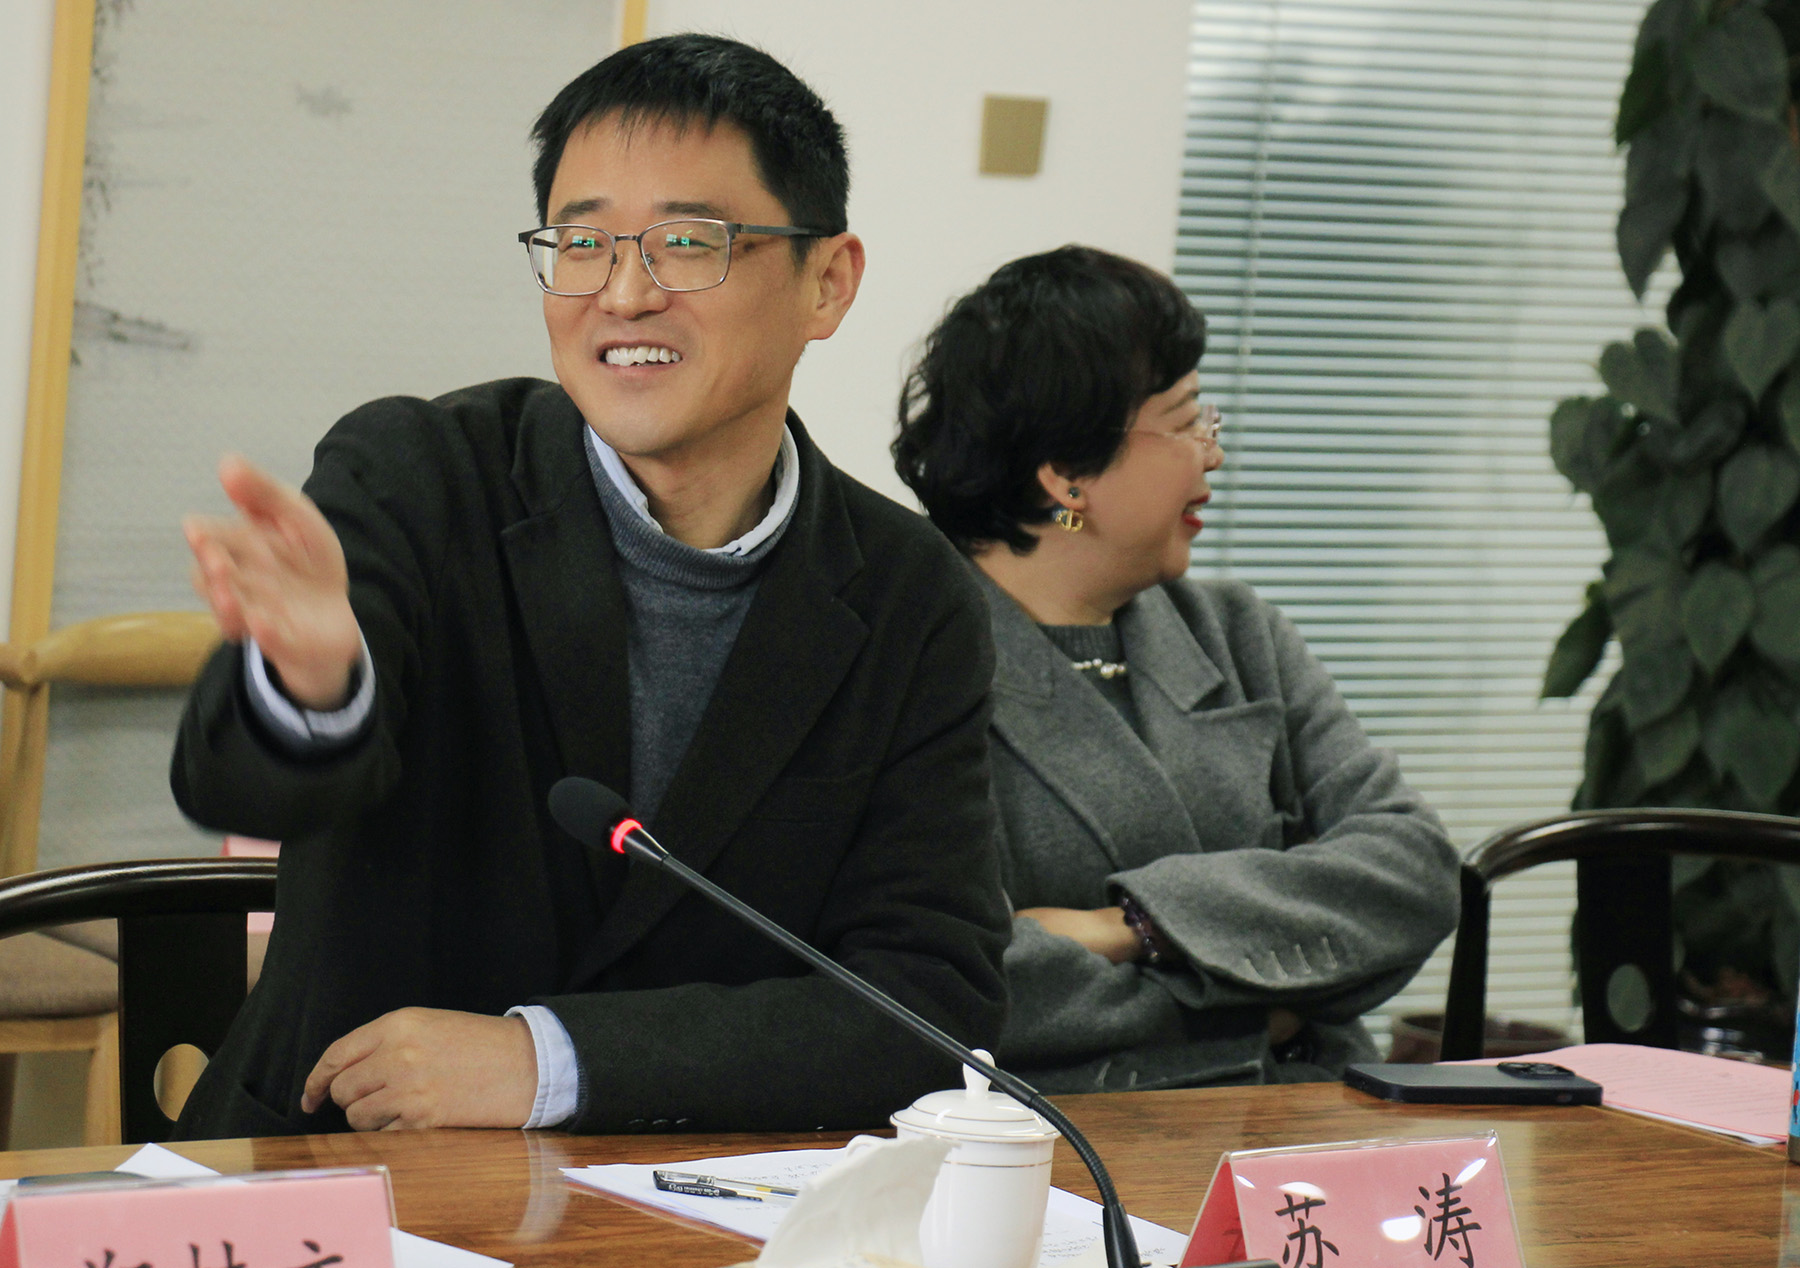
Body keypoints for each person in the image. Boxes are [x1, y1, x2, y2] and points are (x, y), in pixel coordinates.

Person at [169, 34, 1009, 1138]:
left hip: (705, 1195)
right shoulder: (418, 474)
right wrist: (314, 687)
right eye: (580, 242)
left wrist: (553, 1061)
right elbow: (242, 787)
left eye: (686, 242)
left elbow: (931, 1004)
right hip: (342, 1169)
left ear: (827, 281)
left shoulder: (907, 593)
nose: (622, 292)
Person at [892, 246, 1459, 1092]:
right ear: (1068, 473)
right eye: (1189, 421)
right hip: (1076, 1143)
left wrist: (1133, 927)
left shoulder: (1239, 632)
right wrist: (1265, 1001)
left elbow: (1415, 871)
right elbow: (956, 982)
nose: (1213, 453)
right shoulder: (914, 661)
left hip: (1313, 1124)